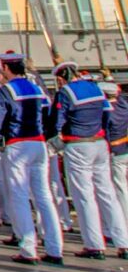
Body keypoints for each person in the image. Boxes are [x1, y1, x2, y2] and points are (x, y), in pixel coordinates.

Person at [0, 51, 63, 266]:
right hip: (39, 144)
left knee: (18, 196)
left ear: (6, 68)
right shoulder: (37, 89)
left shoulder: (6, 90)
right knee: (44, 197)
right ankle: (55, 248)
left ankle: (28, 249)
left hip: (18, 144)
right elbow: (48, 117)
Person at [51, 62, 128, 259]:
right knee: (107, 193)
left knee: (84, 196)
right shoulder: (95, 88)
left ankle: (94, 245)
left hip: (78, 144)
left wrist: (54, 143)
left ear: (61, 78)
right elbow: (106, 116)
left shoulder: (65, 92)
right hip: (100, 142)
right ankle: (123, 242)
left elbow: (58, 122)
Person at [103, 81, 128, 233]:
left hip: (115, 151)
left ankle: (124, 224)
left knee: (119, 189)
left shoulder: (107, 112)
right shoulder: (124, 106)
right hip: (125, 148)